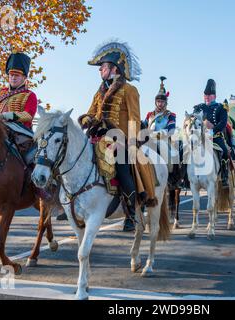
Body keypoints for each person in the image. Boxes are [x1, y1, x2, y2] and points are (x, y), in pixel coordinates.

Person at [78, 40, 156, 232]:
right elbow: (91, 112)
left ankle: (130, 212)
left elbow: (134, 118)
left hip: (120, 138)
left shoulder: (129, 90)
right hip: (98, 136)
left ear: (114, 68)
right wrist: (87, 119)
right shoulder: (100, 91)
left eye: (102, 67)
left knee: (122, 167)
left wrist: (129, 141)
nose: (100, 71)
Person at [194, 79, 230, 188]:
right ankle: (186, 178)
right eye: (205, 95)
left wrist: (212, 131)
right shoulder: (199, 107)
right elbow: (193, 120)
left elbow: (223, 123)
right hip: (201, 137)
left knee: (224, 151)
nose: (207, 97)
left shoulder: (221, 107)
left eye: (209, 95)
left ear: (214, 96)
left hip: (215, 137)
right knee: (186, 150)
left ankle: (224, 176)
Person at [0, 52, 37, 130]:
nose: (13, 78)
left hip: (20, 132)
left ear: (24, 77)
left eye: (17, 75)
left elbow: (28, 115)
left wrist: (6, 116)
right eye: (11, 75)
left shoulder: (30, 95)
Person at [223, 99, 235, 177]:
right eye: (224, 110)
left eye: (226, 110)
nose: (225, 112)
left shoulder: (230, 119)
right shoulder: (217, 118)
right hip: (220, 137)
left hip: (230, 138)